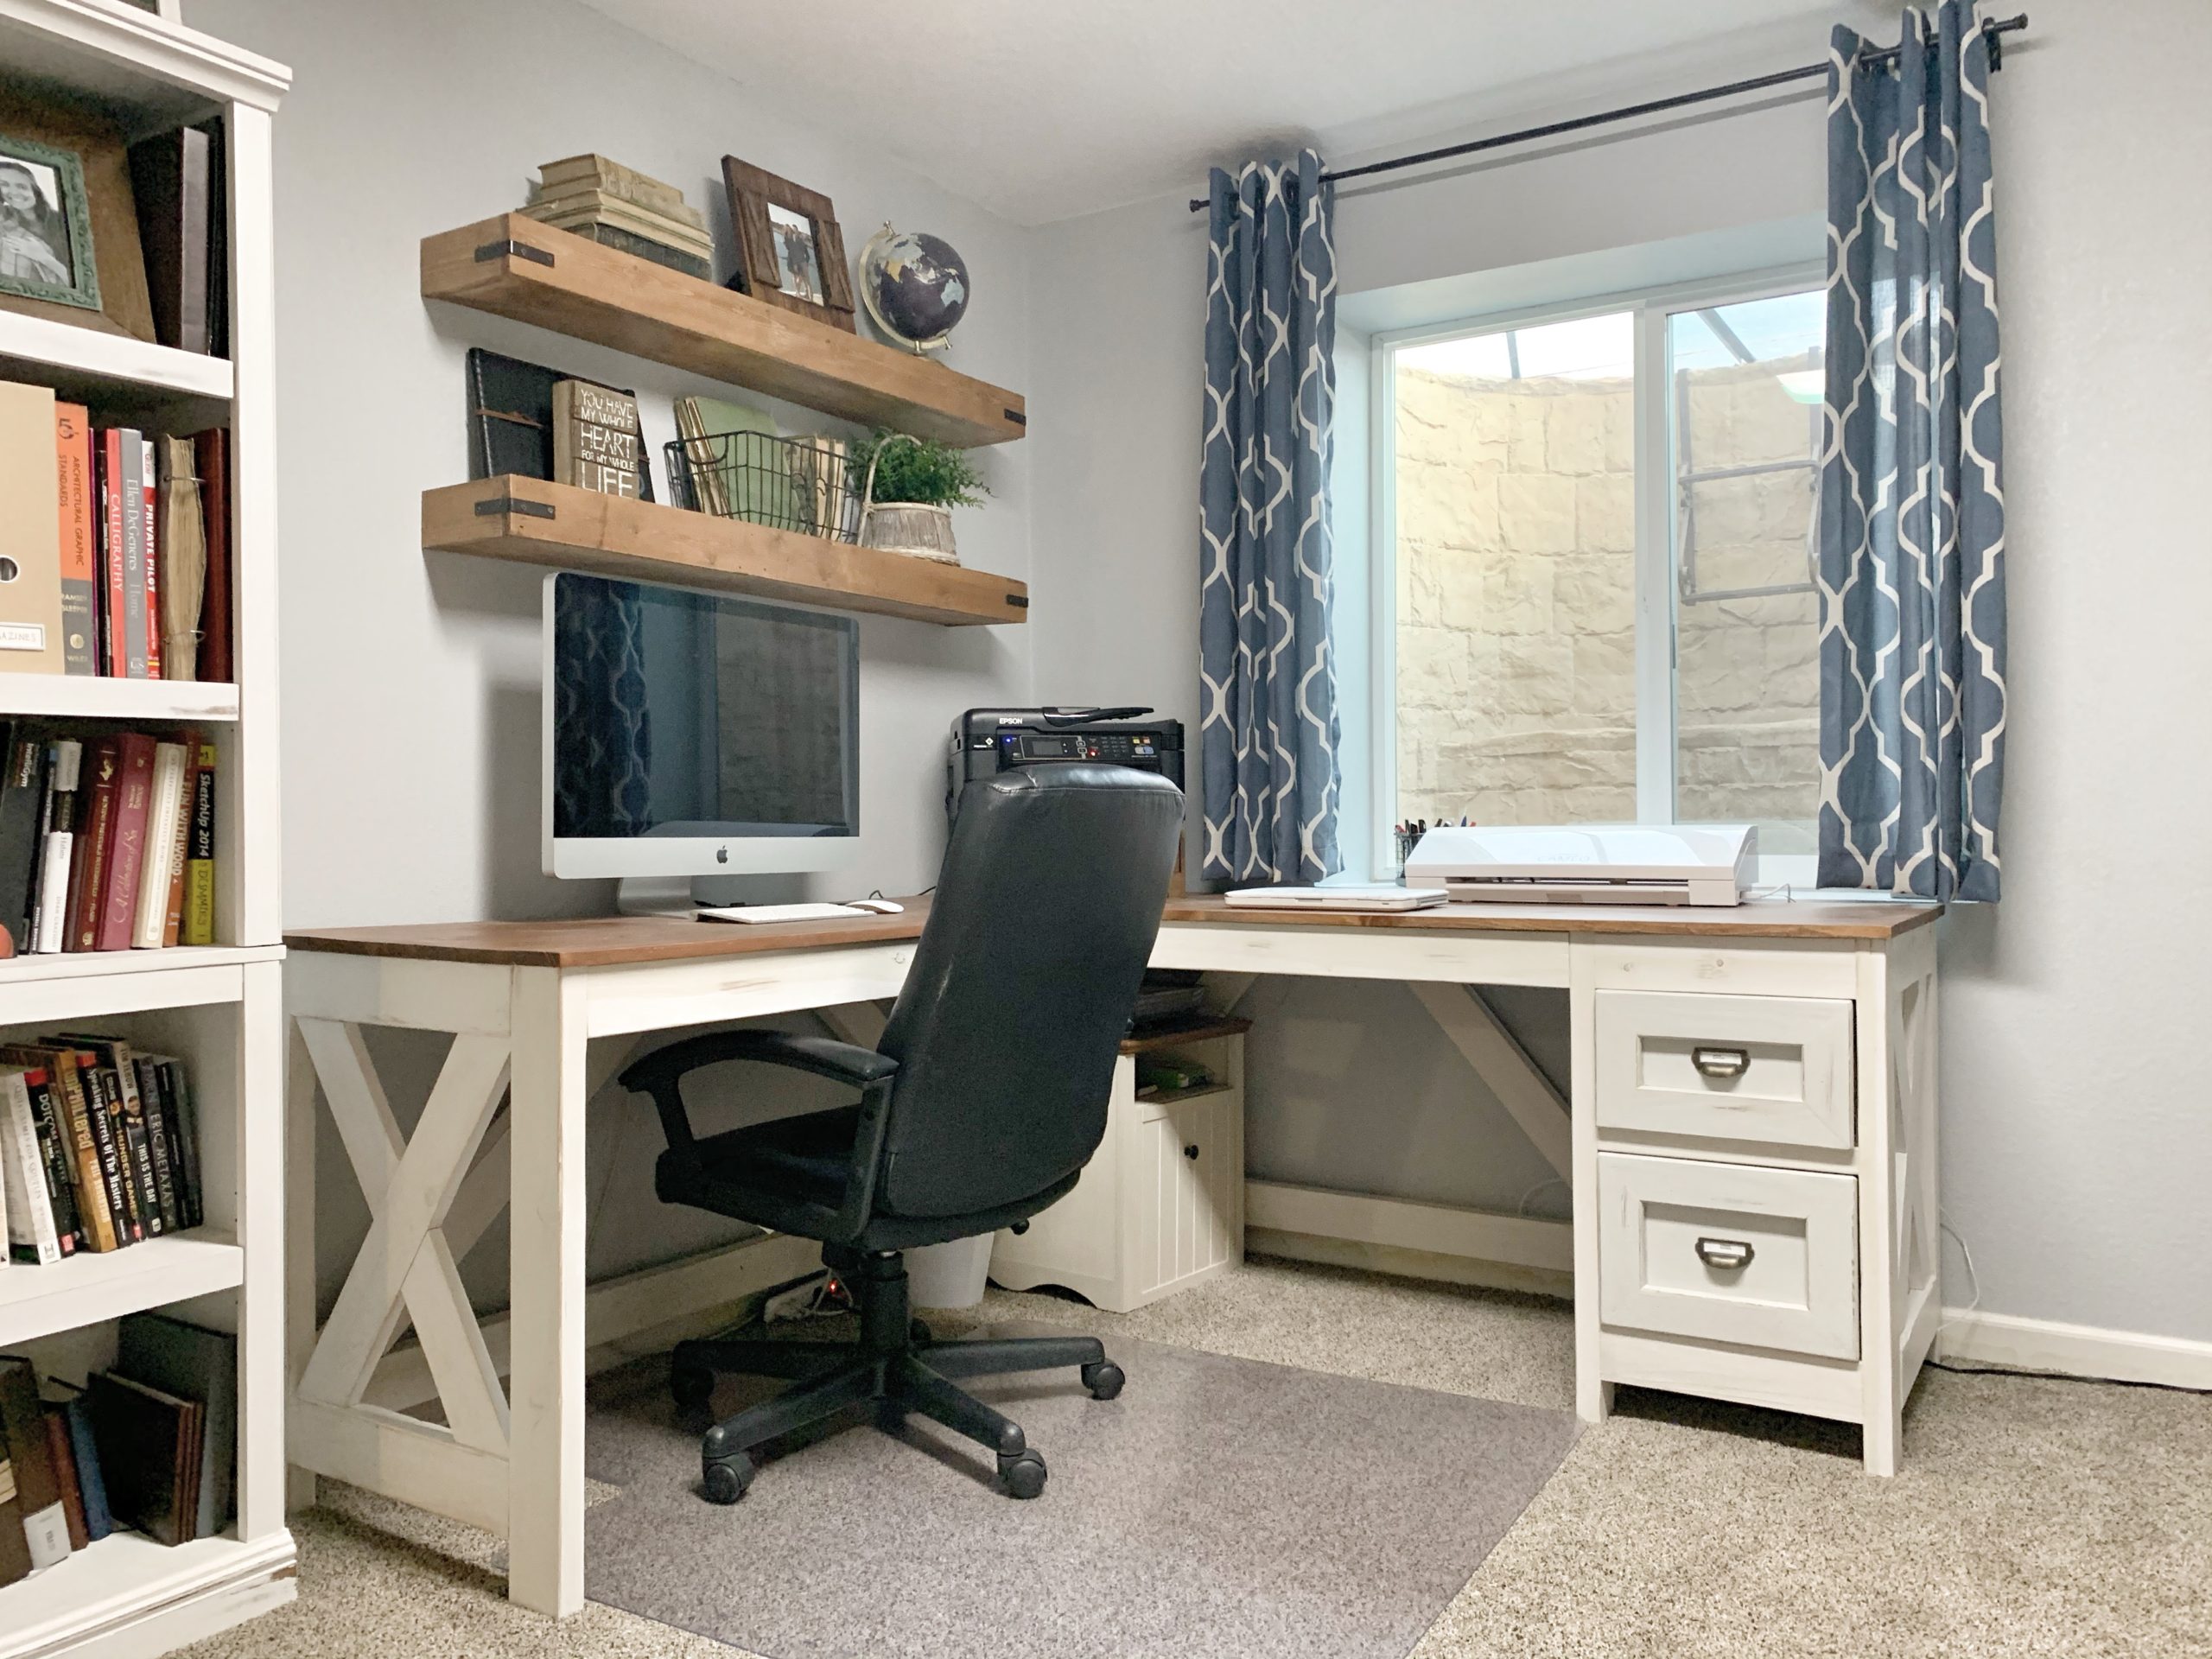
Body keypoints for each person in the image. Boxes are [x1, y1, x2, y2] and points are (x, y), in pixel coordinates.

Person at [0, 160, 73, 287]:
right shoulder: (5, 222)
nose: (14, 192)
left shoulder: (62, 223)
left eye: (21, 186)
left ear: (35, 191)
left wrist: (42, 256)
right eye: (4, 185)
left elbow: (77, 284)